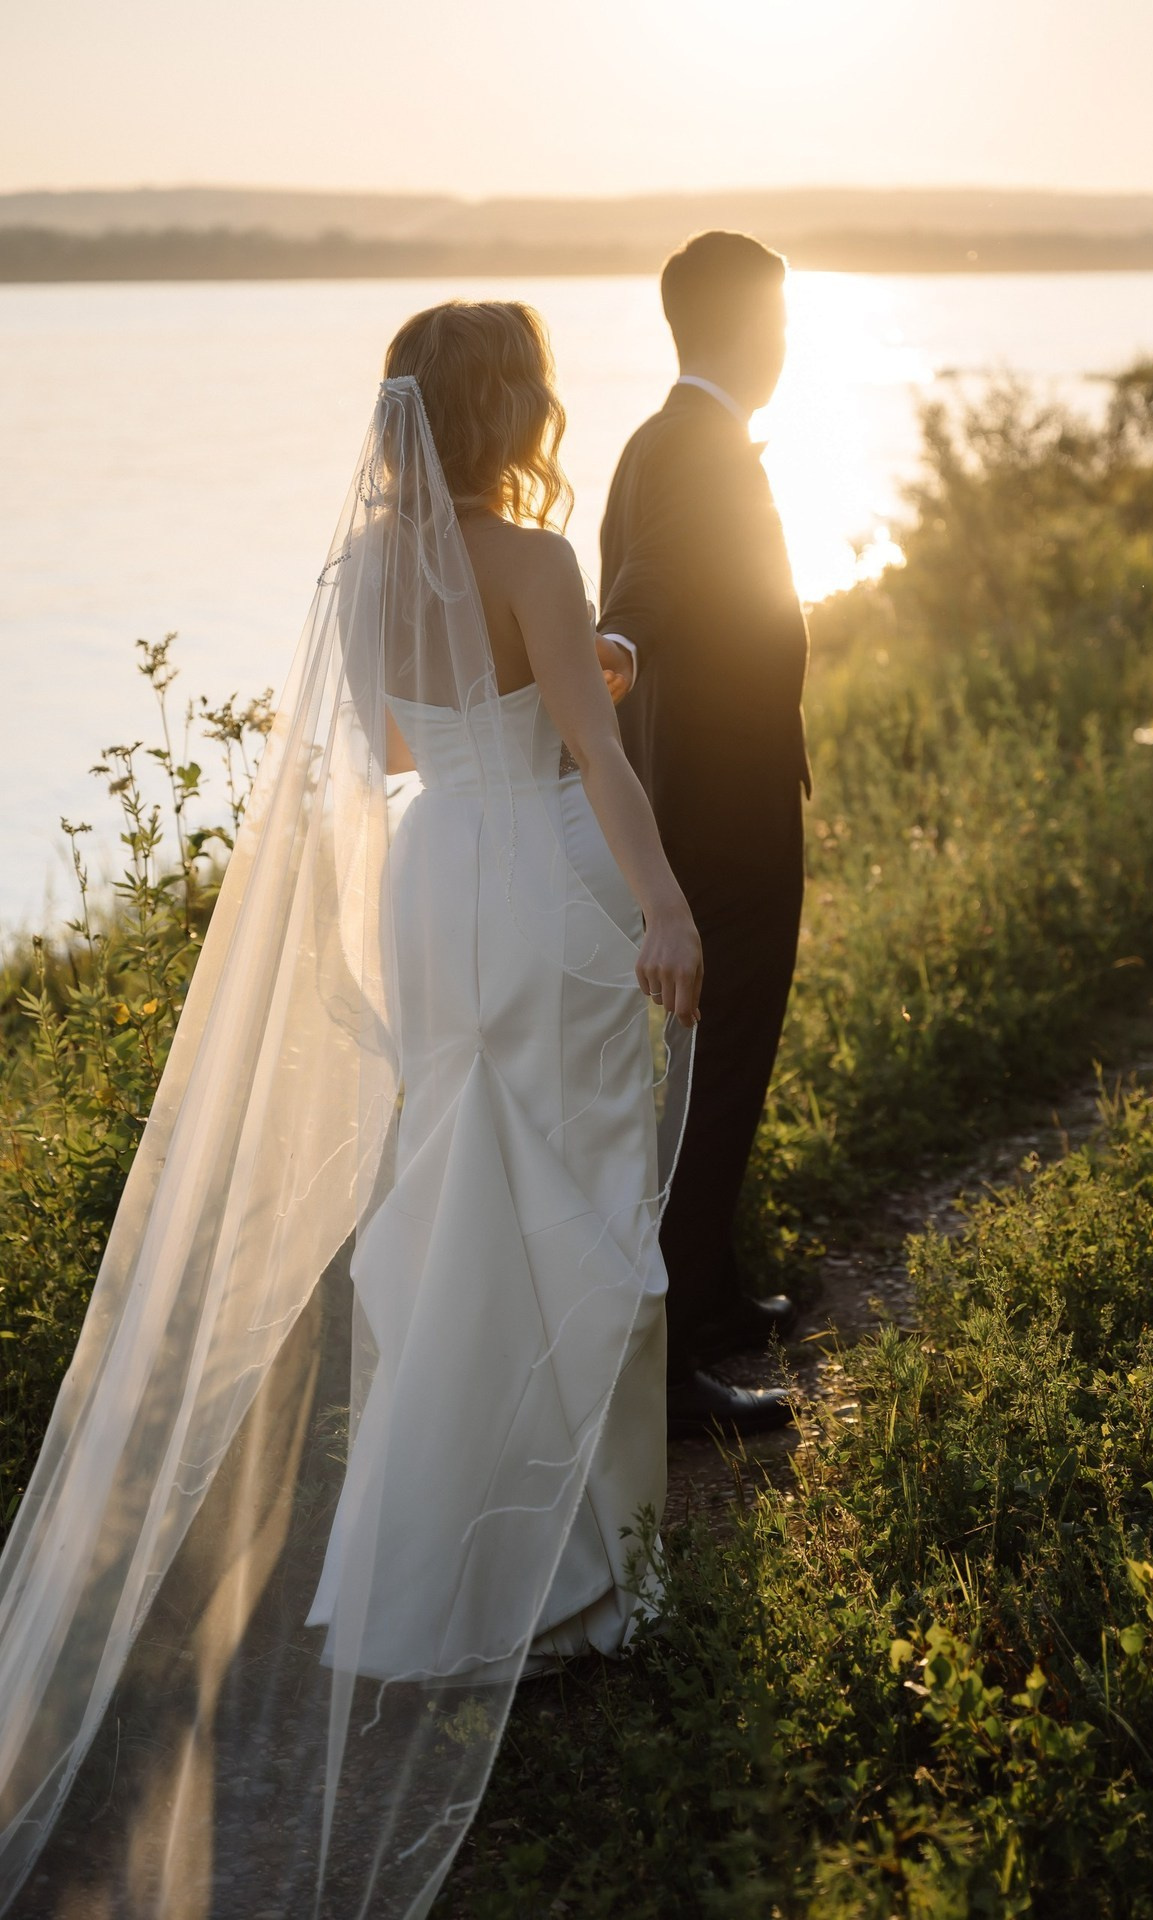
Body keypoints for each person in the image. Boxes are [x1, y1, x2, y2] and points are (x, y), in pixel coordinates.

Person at [0, 302, 701, 1919]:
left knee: (458, 1203)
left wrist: (543, 689)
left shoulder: (356, 573)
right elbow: (590, 758)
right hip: (537, 877)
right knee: (571, 1208)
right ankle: (578, 1581)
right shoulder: (529, 548)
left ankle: (422, 1588)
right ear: (501, 403)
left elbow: (398, 746)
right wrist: (662, 904)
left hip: (431, 885)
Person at [598, 230, 811, 1439]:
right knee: (719, 1077)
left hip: (691, 801)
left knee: (701, 1072)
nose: (786, 344)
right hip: (721, 822)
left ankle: (714, 1297)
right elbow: (652, 586)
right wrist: (617, 645)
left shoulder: (652, 438)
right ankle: (673, 1375)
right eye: (778, 323)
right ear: (741, 329)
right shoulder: (693, 449)